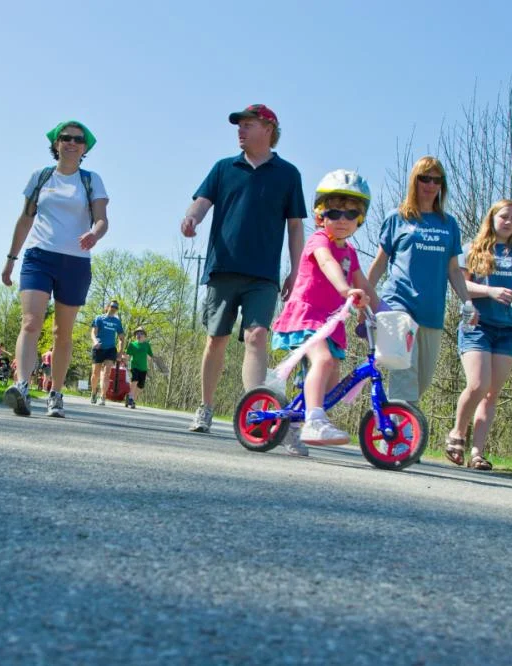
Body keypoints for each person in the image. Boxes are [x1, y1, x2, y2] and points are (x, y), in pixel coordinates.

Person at [180, 104, 306, 433]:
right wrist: (192, 216)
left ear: (268, 129)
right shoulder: (224, 168)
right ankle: (205, 408)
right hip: (223, 268)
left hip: (263, 275)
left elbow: (295, 226)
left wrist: (297, 270)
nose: (241, 130)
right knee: (216, 339)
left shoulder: (288, 174)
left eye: (248, 124)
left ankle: (255, 413)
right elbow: (203, 200)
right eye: (239, 125)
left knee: (257, 336)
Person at [1, 120, 109, 418]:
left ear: (85, 147)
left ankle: (55, 394)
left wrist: (94, 234)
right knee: (31, 322)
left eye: (78, 139)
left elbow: (102, 219)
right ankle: (22, 386)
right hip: (38, 255)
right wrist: (11, 259)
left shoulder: (91, 180)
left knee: (63, 332)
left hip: (75, 261)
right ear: (56, 143)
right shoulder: (41, 177)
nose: (71, 143)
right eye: (65, 138)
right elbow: (25, 220)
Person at [271, 170, 380, 455]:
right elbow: (328, 263)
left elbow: (365, 283)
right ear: (321, 217)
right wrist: (346, 291)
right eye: (333, 213)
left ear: (360, 218)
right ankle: (314, 420)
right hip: (306, 316)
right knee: (323, 359)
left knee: (332, 376)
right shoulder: (319, 241)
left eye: (350, 213)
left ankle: (295, 424)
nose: (341, 220)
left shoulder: (352, 253)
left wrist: (385, 311)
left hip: (330, 323)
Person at [366, 155, 474, 408]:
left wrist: (468, 302)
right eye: (425, 178)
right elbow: (380, 262)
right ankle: (399, 439)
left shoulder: (449, 224)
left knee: (421, 381)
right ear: (415, 181)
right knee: (405, 374)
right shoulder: (398, 218)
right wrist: (365, 296)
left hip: (432, 312)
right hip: (398, 304)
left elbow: (454, 271)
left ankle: (389, 424)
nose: (430, 184)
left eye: (437, 180)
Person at [445, 199, 512, 469]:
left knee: (491, 393)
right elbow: (460, 285)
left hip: (508, 329)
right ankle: (457, 433)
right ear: (492, 217)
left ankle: (477, 453)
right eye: (504, 216)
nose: (509, 222)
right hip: (478, 325)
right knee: (478, 384)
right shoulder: (472, 249)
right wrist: (491, 292)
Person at [89, 300, 125, 406]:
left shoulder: (117, 322)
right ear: (108, 307)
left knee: (107, 373)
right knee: (95, 374)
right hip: (99, 348)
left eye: (116, 307)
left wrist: (120, 352)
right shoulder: (99, 318)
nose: (114, 308)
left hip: (110, 349)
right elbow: (93, 332)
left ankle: (103, 396)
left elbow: (122, 338)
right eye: (113, 306)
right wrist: (95, 341)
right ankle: (93, 392)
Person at [123, 327, 156, 408]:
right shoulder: (132, 345)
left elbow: (151, 356)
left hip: (143, 368)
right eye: (137, 333)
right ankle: (131, 398)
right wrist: (125, 359)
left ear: (145, 336)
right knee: (135, 380)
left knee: (141, 387)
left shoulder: (147, 345)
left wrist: (154, 361)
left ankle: (132, 399)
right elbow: (128, 356)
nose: (139, 335)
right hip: (134, 366)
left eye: (141, 333)